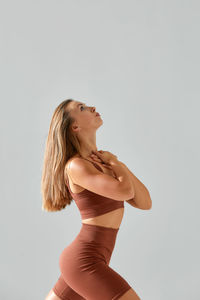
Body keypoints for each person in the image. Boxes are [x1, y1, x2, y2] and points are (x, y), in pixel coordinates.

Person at [41, 99, 151, 299]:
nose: (92, 107)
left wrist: (116, 164)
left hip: (92, 259)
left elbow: (144, 203)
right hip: (84, 261)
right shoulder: (76, 166)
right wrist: (115, 163)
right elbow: (125, 192)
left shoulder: (103, 162)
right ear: (75, 126)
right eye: (81, 108)